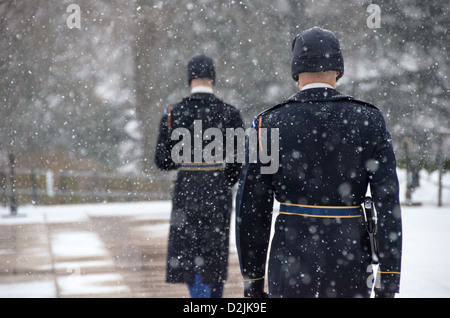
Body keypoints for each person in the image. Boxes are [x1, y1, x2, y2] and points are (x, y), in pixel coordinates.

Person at [235, 27, 402, 298]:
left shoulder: (267, 124)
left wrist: (252, 280)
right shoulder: (369, 120)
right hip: (350, 257)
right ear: (337, 70)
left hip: (290, 259)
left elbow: (252, 210)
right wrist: (389, 279)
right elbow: (387, 202)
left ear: (296, 72)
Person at [155, 54, 244, 298]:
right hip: (216, 188)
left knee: (188, 251)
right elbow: (239, 160)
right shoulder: (229, 113)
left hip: (187, 188)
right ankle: (211, 297)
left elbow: (161, 161)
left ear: (190, 79)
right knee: (214, 255)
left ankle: (199, 297)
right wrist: (222, 178)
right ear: (212, 78)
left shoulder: (174, 113)